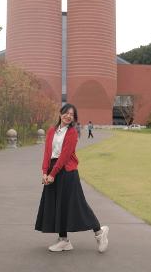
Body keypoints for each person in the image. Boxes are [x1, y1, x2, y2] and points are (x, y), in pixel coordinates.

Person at [35, 103, 109, 253]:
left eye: (72, 114)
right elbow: (47, 153)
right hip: (52, 171)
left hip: (67, 172)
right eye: (66, 113)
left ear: (74, 118)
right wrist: (44, 172)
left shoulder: (72, 133)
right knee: (57, 205)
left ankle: (99, 232)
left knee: (78, 204)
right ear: (60, 113)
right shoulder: (51, 131)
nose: (68, 116)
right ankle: (64, 240)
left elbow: (64, 156)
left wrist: (52, 174)